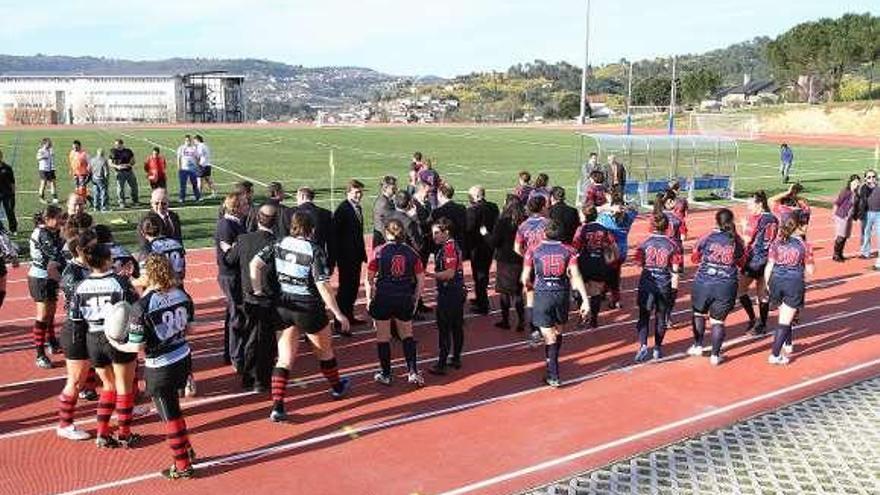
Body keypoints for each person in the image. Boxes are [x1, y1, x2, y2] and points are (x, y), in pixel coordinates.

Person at [251, 212, 352, 422]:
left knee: (285, 358)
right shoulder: (314, 250)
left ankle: (277, 406)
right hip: (308, 307)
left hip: (283, 305)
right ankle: (336, 386)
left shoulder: (279, 243)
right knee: (325, 353)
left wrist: (258, 290)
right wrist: (339, 314)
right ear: (311, 229)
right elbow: (322, 285)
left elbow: (255, 264)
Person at [107, 254, 197, 478]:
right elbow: (190, 330)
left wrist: (113, 340)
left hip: (161, 365)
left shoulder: (142, 306)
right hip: (183, 357)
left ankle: (182, 465)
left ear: (148, 274)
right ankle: (186, 449)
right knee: (174, 409)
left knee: (169, 415)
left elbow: (137, 347)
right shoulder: (183, 294)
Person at [70, 240, 140, 448]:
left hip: (93, 337)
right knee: (124, 387)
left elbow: (75, 319)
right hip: (117, 338)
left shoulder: (80, 286)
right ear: (108, 260)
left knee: (107, 386)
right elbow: (136, 310)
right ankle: (125, 434)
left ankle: (102, 432)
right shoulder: (119, 282)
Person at [521, 220, 590, 387]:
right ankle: (551, 362)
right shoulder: (569, 251)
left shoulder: (533, 250)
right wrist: (585, 300)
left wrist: (530, 289)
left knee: (548, 336)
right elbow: (576, 275)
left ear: (544, 233)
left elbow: (525, 278)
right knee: (557, 332)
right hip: (561, 295)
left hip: (543, 295)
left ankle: (553, 372)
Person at [225, 204, 279, 391]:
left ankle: (248, 376)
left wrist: (231, 248)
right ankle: (260, 380)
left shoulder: (243, 239)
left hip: (248, 296)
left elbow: (229, 261)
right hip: (269, 297)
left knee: (249, 338)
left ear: (258, 219)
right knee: (266, 341)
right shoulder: (278, 242)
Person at [366, 218, 426, 386]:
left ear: (386, 233)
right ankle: (412, 372)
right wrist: (415, 298)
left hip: (384, 297)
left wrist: (370, 299)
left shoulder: (379, 251)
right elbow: (421, 279)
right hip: (404, 297)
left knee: (383, 337)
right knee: (407, 335)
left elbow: (369, 278)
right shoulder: (411, 252)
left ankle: (386, 374)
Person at [688, 208, 746, 366]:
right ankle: (715, 355)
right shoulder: (736, 240)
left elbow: (694, 258)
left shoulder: (706, 237)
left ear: (716, 220)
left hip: (704, 282)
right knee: (717, 321)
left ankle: (698, 345)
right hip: (726, 285)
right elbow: (742, 263)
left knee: (698, 314)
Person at [55, 223, 96, 441]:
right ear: (79, 250)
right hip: (77, 330)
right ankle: (65, 424)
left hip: (92, 328)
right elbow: (83, 297)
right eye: (91, 248)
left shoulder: (88, 267)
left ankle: (124, 406)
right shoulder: (72, 273)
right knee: (76, 381)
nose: (96, 252)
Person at [765, 213, 814, 365]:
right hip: (793, 282)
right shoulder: (804, 245)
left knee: (784, 313)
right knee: (785, 320)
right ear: (799, 226)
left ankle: (788, 343)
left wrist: (768, 284)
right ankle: (775, 354)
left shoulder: (776, 243)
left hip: (775, 281)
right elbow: (811, 270)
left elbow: (770, 266)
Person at [633, 213, 682, 361]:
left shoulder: (644, 243)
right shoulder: (673, 245)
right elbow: (675, 270)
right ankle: (657, 348)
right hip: (663, 283)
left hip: (647, 282)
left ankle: (642, 345)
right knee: (661, 317)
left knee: (644, 315)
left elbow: (639, 263)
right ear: (667, 227)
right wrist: (674, 289)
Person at [428, 217, 467, 375]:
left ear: (447, 232)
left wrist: (430, 274)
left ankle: (442, 363)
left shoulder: (449, 248)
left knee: (445, 328)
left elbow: (449, 273)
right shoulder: (452, 245)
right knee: (457, 326)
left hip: (449, 292)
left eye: (437, 233)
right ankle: (456, 357)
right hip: (456, 291)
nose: (434, 236)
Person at [28, 205, 66, 368]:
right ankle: (39, 353)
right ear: (47, 219)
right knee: (42, 315)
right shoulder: (43, 234)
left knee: (51, 311)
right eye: (58, 217)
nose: (61, 221)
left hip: (50, 276)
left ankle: (52, 341)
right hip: (40, 277)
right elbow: (55, 254)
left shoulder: (52, 231)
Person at [572, 203, 619, 329]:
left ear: (584, 216)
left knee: (580, 291)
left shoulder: (581, 229)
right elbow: (614, 246)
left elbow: (575, 248)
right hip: (599, 262)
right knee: (596, 291)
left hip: (584, 262)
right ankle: (594, 319)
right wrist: (613, 259)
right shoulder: (603, 229)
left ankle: (583, 316)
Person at [738, 190, 779, 336]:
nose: (748, 207)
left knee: (740, 289)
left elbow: (747, 240)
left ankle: (752, 319)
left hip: (755, 259)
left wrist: (743, 226)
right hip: (769, 258)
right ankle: (762, 324)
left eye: (750, 204)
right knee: (762, 293)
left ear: (759, 204)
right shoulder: (774, 218)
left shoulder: (755, 219)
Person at [215, 193, 247, 368]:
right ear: (235, 207)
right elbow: (229, 257)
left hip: (234, 275)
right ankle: (237, 357)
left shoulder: (235, 223)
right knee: (236, 316)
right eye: (243, 204)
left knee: (232, 314)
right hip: (230, 275)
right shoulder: (226, 225)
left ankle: (230, 353)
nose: (247, 206)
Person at [332, 180, 367, 334]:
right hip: (346, 257)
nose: (359, 195)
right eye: (355, 192)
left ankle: (349, 315)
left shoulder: (356, 207)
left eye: (360, 192)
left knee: (353, 287)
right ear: (348, 193)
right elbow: (335, 235)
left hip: (355, 255)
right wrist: (338, 256)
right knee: (345, 289)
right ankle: (340, 322)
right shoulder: (343, 209)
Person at [489, 195, 526, 331]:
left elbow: (494, 242)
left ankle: (506, 320)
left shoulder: (503, 222)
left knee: (505, 292)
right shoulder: (524, 221)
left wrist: (485, 234)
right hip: (520, 260)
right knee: (518, 292)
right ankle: (521, 320)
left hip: (505, 261)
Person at [515, 195, 550, 341]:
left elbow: (517, 247)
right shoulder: (548, 223)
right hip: (546, 264)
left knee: (530, 297)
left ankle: (534, 329)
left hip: (530, 265)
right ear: (542, 207)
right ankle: (546, 326)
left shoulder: (523, 226)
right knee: (546, 295)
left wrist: (527, 256)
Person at [597, 193, 639, 309]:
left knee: (608, 274)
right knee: (615, 274)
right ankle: (606, 293)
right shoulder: (628, 218)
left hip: (609, 251)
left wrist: (607, 207)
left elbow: (592, 211)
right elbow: (636, 207)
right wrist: (626, 204)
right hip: (623, 251)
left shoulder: (605, 219)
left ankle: (614, 299)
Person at [465, 185, 499, 315]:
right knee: (482, 273)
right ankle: (480, 298)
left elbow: (469, 229)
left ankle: (483, 303)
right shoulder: (493, 207)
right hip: (489, 246)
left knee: (479, 275)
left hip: (477, 246)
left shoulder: (473, 211)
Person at [295, 186, 334, 272]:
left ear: (302, 196)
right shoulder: (326, 214)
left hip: (297, 259)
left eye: (297, 197)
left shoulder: (292, 212)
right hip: (319, 258)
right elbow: (331, 241)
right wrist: (331, 263)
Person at [432, 183, 468, 259]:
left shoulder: (437, 212)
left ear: (441, 193)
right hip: (459, 244)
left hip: (443, 247)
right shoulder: (462, 208)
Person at [832, 175, 862, 263]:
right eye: (855, 182)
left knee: (845, 236)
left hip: (849, 218)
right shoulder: (846, 191)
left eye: (858, 182)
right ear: (851, 182)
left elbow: (856, 207)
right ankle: (836, 254)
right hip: (842, 216)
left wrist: (856, 216)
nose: (856, 184)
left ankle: (840, 253)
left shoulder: (856, 194)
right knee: (840, 236)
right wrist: (833, 214)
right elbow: (837, 203)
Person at [858, 170, 880, 265]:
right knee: (866, 234)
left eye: (873, 176)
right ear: (866, 178)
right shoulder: (864, 188)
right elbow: (861, 195)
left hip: (878, 214)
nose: (872, 179)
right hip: (867, 213)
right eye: (869, 177)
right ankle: (865, 252)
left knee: (879, 235)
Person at [109, 139, 139, 208]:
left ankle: (135, 200)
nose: (116, 146)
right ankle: (121, 202)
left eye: (117, 145)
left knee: (134, 187)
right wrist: (117, 166)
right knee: (120, 188)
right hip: (119, 172)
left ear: (122, 144)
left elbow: (133, 161)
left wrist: (129, 164)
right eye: (115, 145)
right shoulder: (113, 151)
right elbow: (110, 163)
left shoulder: (128, 151)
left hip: (129, 171)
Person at [372, 175, 397, 248]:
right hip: (383, 241)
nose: (395, 189)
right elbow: (390, 222)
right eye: (393, 188)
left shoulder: (385, 200)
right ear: (385, 188)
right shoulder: (384, 203)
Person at [175, 135, 200, 203]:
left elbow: (197, 158)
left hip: (192, 169)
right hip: (184, 169)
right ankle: (182, 198)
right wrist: (179, 168)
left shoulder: (194, 148)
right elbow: (178, 158)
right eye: (186, 140)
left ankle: (197, 197)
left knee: (194, 184)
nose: (188, 142)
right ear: (184, 141)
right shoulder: (181, 148)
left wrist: (197, 167)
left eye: (189, 140)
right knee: (183, 185)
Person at [68, 140, 92, 207]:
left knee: (82, 188)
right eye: (73, 147)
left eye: (76, 147)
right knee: (77, 188)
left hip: (83, 173)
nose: (75, 149)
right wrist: (71, 170)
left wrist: (88, 171)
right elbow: (71, 162)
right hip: (75, 173)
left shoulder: (84, 154)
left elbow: (90, 163)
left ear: (79, 146)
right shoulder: (72, 153)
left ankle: (83, 201)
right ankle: (88, 199)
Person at [37, 138, 59, 205]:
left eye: (50, 143)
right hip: (43, 169)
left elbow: (52, 157)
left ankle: (55, 197)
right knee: (43, 183)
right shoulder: (41, 150)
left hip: (51, 169)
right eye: (48, 143)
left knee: (53, 183)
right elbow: (38, 158)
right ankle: (41, 198)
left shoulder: (50, 150)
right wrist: (43, 157)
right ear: (44, 143)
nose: (50, 144)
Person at [0, 150, 16, 234]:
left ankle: (13, 229)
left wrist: (13, 194)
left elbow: (12, 182)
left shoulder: (7, 168)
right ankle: (1, 229)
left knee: (10, 211)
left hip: (7, 193)